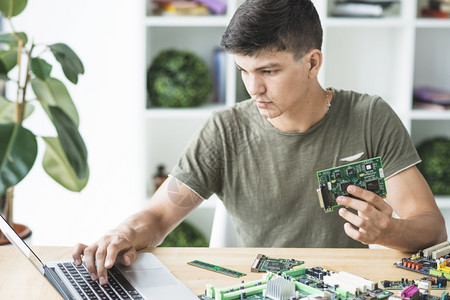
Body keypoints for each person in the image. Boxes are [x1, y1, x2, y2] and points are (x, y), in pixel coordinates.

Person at [73, 0, 447, 285]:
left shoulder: (370, 117)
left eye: (269, 71)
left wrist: (387, 231)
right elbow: (157, 217)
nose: (254, 89)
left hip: (344, 287)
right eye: (243, 71)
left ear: (313, 63)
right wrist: (121, 234)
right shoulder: (224, 130)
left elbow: (432, 229)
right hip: (261, 287)